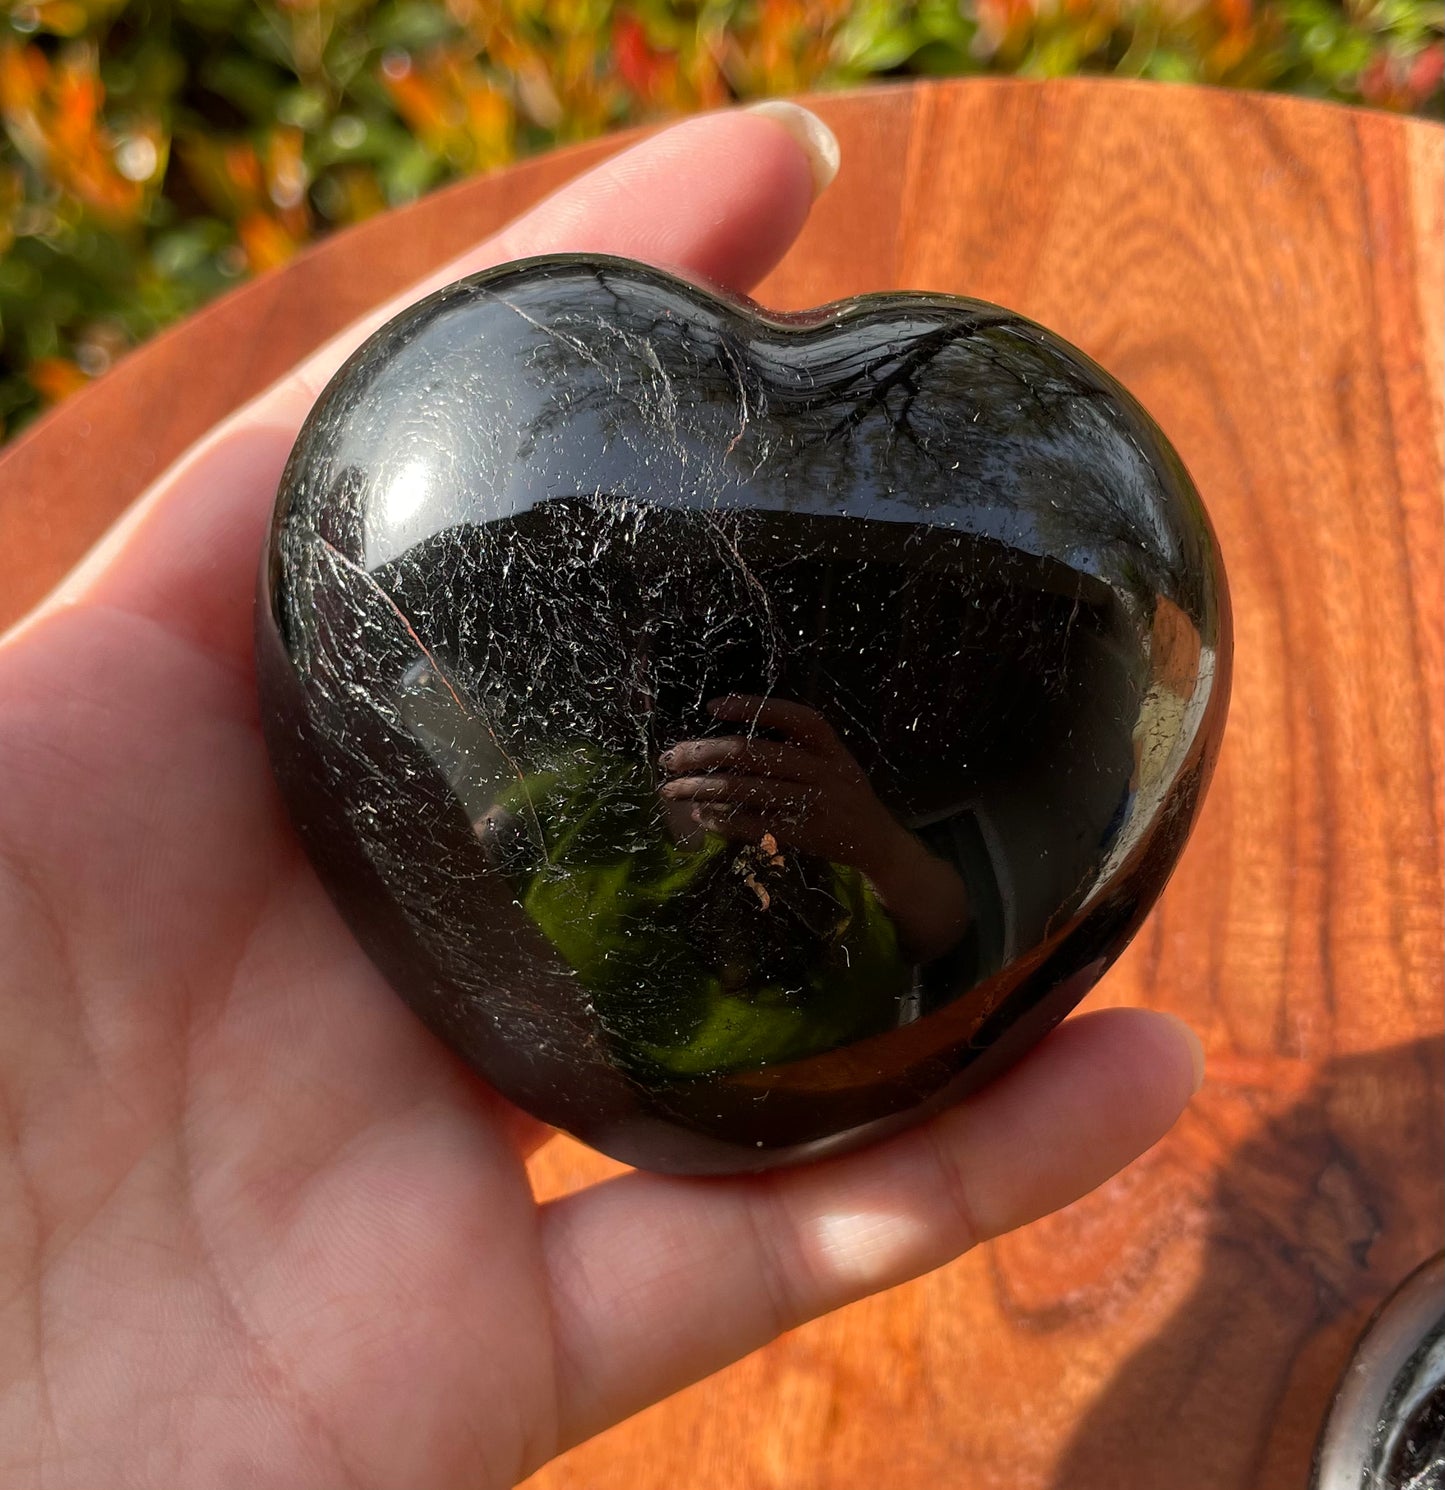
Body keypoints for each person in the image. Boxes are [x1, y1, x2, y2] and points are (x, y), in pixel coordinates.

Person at [0, 102, 1204, 1488]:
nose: (724, 723)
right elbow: (482, 861)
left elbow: (933, 942)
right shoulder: (564, 793)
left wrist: (853, 831)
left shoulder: (872, 874)